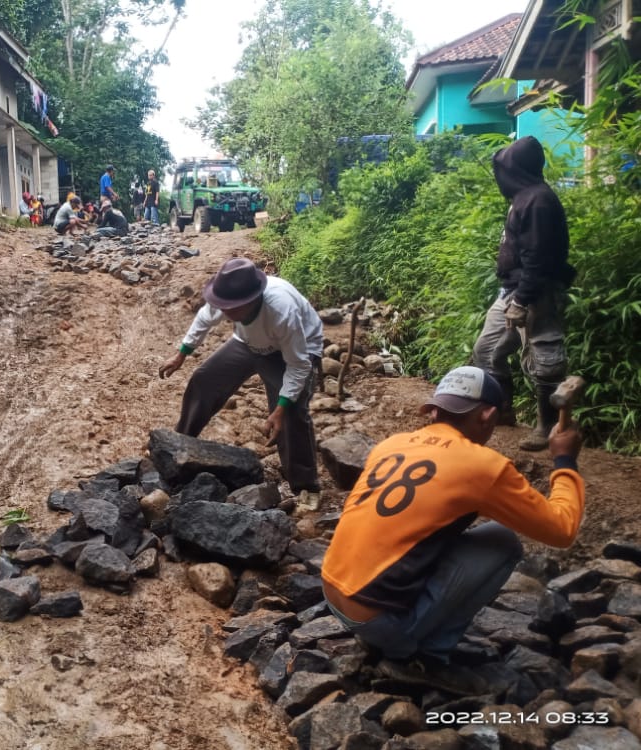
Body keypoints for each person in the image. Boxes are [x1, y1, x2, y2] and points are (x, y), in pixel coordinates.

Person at [321, 366, 584, 679]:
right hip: (377, 621)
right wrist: (565, 460)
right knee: (503, 541)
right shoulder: (483, 466)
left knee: (438, 530)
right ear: (487, 416)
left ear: (435, 409)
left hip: (332, 589)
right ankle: (424, 655)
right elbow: (562, 529)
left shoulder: (392, 443)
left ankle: (397, 629)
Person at [158, 258, 324, 506]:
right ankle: (178, 446)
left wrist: (279, 408)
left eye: (230, 308)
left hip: (293, 351)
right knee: (205, 380)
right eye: (222, 305)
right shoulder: (228, 298)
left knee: (291, 414)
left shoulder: (281, 311)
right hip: (248, 343)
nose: (224, 312)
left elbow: (299, 365)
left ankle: (305, 486)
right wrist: (182, 354)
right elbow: (205, 317)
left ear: (251, 300)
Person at [471, 135, 576, 451]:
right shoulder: (524, 198)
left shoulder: (538, 201)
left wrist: (521, 301)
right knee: (488, 351)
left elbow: (538, 259)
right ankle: (503, 411)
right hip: (511, 290)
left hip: (534, 294)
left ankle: (547, 426)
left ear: (515, 169)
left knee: (544, 361)